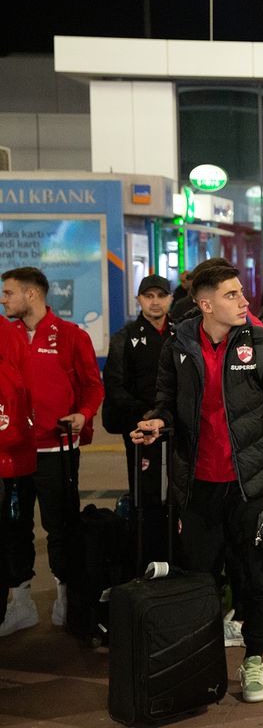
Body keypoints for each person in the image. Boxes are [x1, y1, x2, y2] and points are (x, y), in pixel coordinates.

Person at [134, 260, 263, 704]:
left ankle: (254, 659)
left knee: (259, 579)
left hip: (253, 485)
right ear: (206, 304)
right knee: (199, 578)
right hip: (196, 487)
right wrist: (157, 423)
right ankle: (202, 661)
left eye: (241, 293)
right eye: (232, 295)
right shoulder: (179, 342)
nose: (245, 301)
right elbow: (166, 402)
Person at [0, 266, 103, 626]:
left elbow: (93, 385)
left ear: (32, 294)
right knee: (14, 528)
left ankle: (65, 600)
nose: (4, 299)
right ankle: (22, 604)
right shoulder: (4, 335)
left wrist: (83, 413)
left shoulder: (72, 335)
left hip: (56, 450)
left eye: (9, 292)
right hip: (11, 454)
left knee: (61, 528)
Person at [103, 274, 175, 494]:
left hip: (176, 426)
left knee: (178, 489)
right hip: (139, 427)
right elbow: (115, 386)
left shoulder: (182, 334)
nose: (155, 301)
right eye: (148, 296)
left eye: (161, 296)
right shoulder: (124, 338)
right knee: (145, 491)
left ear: (170, 298)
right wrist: (146, 415)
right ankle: (144, 528)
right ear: (138, 299)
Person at [0, 316, 37, 637]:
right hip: (13, 463)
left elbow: (11, 428)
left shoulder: (7, 339)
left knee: (12, 536)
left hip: (10, 465)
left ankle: (18, 605)